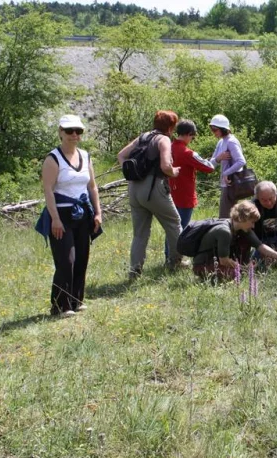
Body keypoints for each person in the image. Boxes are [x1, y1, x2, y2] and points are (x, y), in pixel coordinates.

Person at [36, 115, 102, 317]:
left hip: (83, 213)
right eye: (69, 131)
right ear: (61, 132)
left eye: (78, 131)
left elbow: (92, 186)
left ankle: (76, 300)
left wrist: (98, 212)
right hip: (62, 214)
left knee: (82, 257)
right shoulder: (53, 158)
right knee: (66, 260)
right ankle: (60, 305)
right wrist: (55, 218)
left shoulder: (85, 156)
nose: (74, 135)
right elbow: (48, 190)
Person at [117, 110, 183, 279]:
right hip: (153, 188)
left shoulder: (143, 137)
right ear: (170, 127)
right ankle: (176, 261)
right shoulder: (164, 139)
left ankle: (135, 270)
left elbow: (121, 156)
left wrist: (136, 173)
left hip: (134, 189)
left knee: (140, 233)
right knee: (174, 223)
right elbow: (165, 165)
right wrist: (174, 172)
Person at [192, 200, 277, 281]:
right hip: (203, 265)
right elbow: (224, 260)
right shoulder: (224, 231)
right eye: (252, 222)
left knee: (241, 269)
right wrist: (243, 268)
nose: (253, 226)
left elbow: (260, 246)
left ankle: (242, 267)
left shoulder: (243, 228)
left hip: (219, 262)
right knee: (235, 275)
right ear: (243, 218)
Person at [166, 119, 215, 259]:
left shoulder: (169, 147)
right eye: (192, 136)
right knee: (180, 228)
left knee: (171, 228)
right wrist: (216, 159)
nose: (192, 139)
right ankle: (175, 259)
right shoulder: (188, 153)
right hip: (184, 196)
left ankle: (169, 256)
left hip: (169, 195)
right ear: (189, 134)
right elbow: (209, 167)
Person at [208, 114, 246, 219]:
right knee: (229, 218)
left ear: (223, 129)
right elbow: (212, 163)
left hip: (231, 184)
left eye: (215, 130)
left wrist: (226, 173)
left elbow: (241, 161)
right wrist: (218, 158)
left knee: (225, 218)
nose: (213, 132)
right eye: (212, 130)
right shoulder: (221, 142)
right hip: (226, 184)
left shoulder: (231, 141)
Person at [252, 181, 277, 254]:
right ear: (258, 198)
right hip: (263, 243)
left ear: (276, 194)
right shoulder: (252, 206)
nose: (268, 203)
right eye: (264, 200)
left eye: (271, 199)